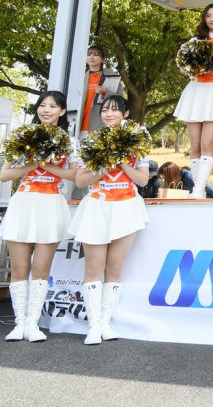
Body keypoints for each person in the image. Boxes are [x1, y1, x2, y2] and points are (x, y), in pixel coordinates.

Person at [68, 95, 150, 345]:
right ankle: (93, 325)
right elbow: (80, 180)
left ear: (125, 114)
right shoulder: (92, 142)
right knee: (94, 267)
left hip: (127, 206)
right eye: (105, 110)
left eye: (115, 110)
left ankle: (105, 322)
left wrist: (122, 160)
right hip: (97, 205)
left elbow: (142, 180)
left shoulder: (138, 140)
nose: (109, 114)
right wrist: (104, 164)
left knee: (114, 269)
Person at [0, 91, 78, 343]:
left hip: (51, 203)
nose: (46, 110)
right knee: (20, 268)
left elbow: (74, 175)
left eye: (52, 106)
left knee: (41, 268)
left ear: (62, 111)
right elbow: (5, 175)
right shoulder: (22, 136)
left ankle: (33, 323)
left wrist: (46, 164)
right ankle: (19, 323)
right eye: (42, 105)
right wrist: (34, 162)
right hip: (24, 202)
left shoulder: (69, 141)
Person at [172, 4, 213, 197]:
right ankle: (197, 189)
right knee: (194, 145)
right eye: (208, 15)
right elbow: (182, 67)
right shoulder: (194, 41)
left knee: (207, 144)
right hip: (195, 91)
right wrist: (193, 69)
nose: (212, 19)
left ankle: (199, 188)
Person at [78, 45, 122, 135]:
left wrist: (105, 92)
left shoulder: (111, 75)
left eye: (96, 54)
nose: (91, 57)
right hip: (78, 125)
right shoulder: (80, 76)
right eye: (89, 54)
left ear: (102, 60)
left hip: (100, 125)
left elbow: (120, 98)